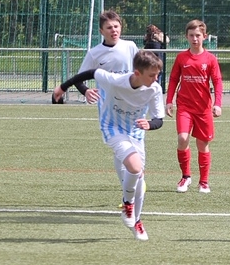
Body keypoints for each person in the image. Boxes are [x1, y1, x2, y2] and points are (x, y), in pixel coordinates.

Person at [52, 50, 165, 241]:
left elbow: (158, 119)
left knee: (139, 179)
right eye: (152, 75)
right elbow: (89, 73)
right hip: (112, 128)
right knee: (135, 167)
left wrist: (150, 124)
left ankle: (137, 220)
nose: (156, 79)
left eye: (157, 75)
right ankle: (127, 204)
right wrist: (62, 88)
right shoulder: (115, 80)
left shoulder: (154, 89)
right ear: (137, 73)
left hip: (136, 133)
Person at [53, 9, 140, 189]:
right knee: (120, 147)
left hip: (132, 105)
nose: (114, 30)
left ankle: (132, 186)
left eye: (116, 26)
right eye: (109, 27)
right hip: (110, 109)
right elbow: (79, 78)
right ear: (101, 31)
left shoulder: (130, 46)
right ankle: (128, 189)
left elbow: (140, 70)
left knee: (132, 146)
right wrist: (85, 91)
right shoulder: (95, 53)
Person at [166, 19, 223, 194]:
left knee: (202, 144)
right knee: (183, 138)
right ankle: (186, 176)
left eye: (198, 35)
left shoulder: (210, 59)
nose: (195, 39)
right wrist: (169, 101)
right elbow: (174, 79)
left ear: (204, 36)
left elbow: (217, 81)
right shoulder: (181, 57)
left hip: (203, 109)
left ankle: (204, 182)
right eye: (191, 35)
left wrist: (217, 104)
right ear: (186, 37)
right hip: (184, 107)